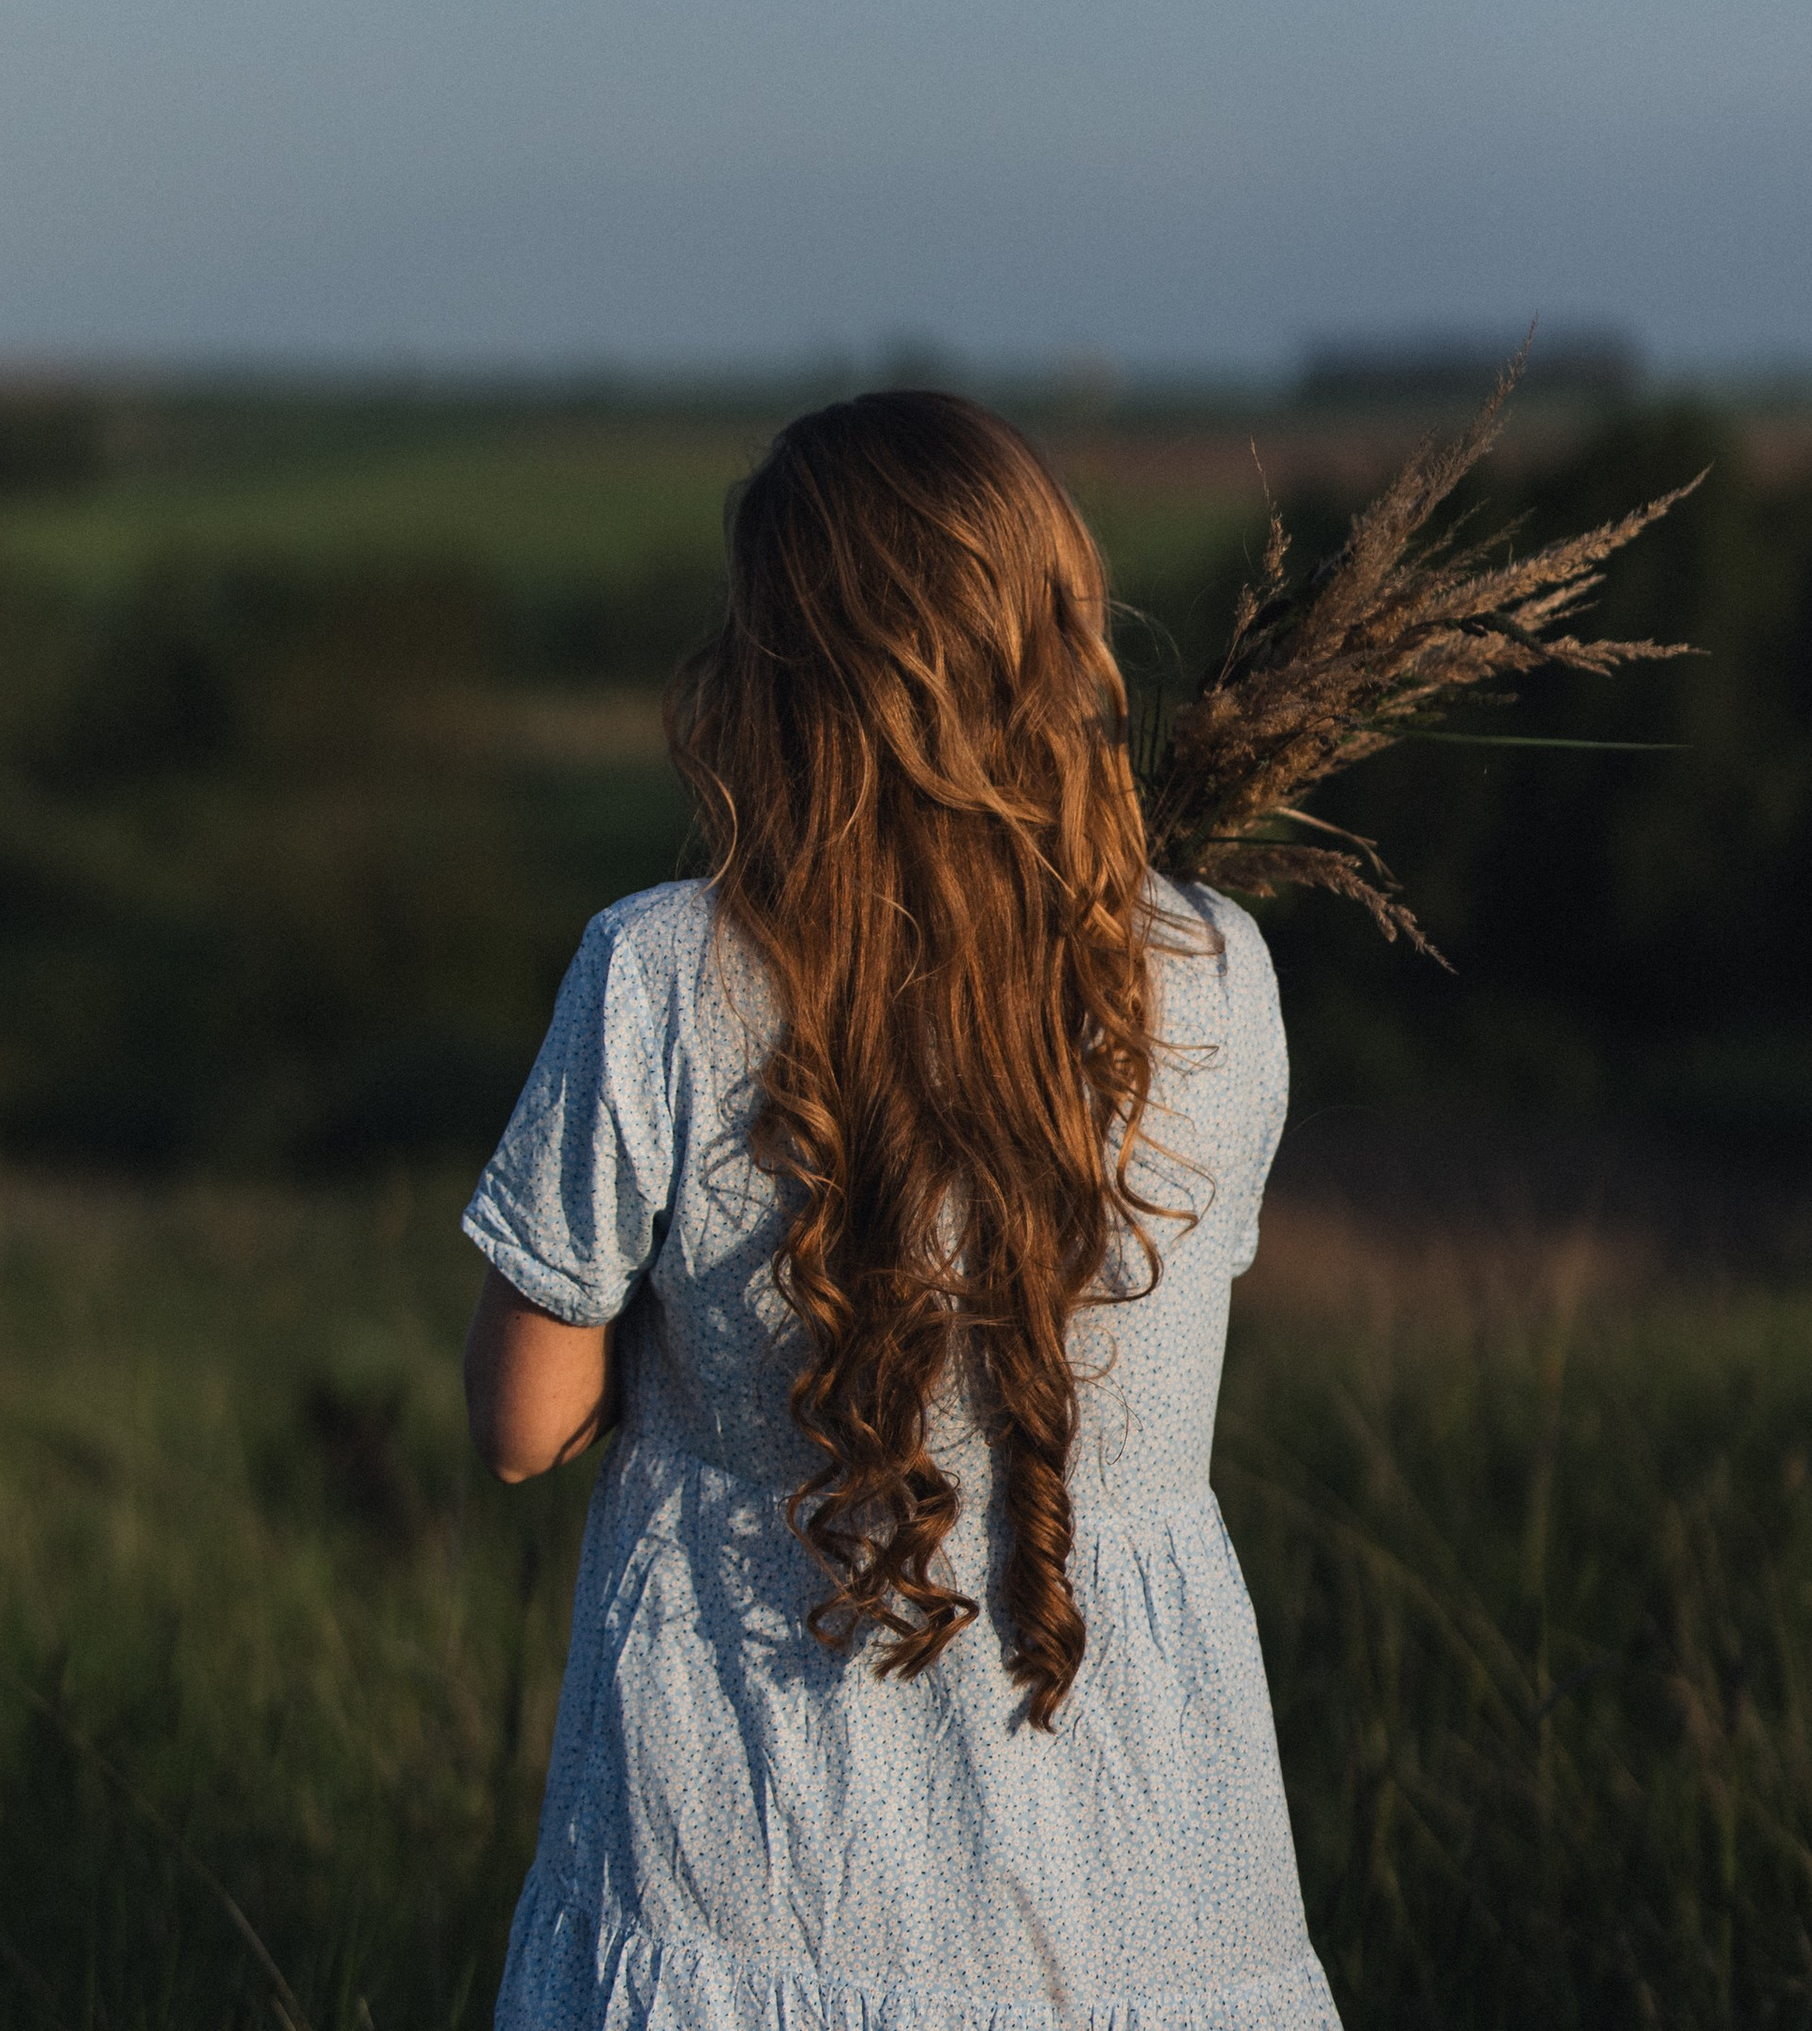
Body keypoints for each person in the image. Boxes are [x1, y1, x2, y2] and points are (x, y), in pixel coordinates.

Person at [461, 388, 1341, 2031]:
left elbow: (521, 1422)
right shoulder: (1216, 974)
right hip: (1150, 1875)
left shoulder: (658, 972)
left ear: (771, 677)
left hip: (748, 1857)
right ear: (1054, 635)